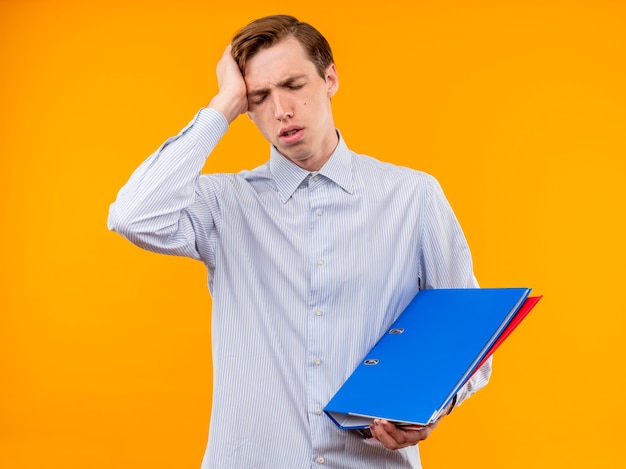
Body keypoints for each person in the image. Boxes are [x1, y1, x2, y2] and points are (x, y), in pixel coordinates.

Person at [108, 14, 491, 469]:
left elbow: (467, 338)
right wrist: (222, 105)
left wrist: (432, 409)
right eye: (259, 97)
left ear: (330, 78)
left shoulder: (413, 195)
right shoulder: (225, 202)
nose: (281, 110)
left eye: (293, 85)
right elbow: (134, 216)